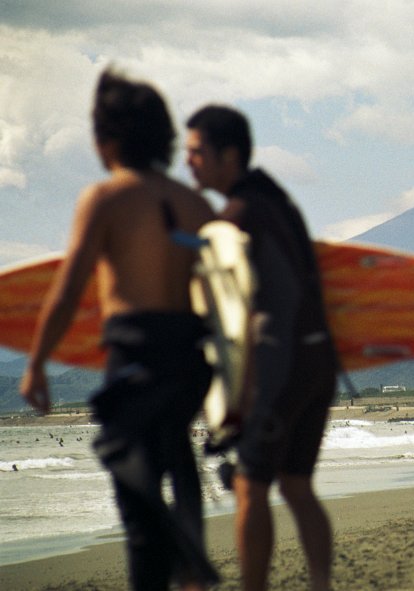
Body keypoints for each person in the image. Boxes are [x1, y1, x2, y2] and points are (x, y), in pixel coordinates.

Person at [20, 70, 217, 590]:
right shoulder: (197, 206)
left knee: (132, 473)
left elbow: (66, 291)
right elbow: (222, 295)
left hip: (134, 351)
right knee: (174, 449)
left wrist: (38, 362)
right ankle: (189, 555)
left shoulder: (105, 199)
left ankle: (171, 562)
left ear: (106, 139)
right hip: (190, 354)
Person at [186, 105, 339, 591]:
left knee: (251, 486)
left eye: (196, 152)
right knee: (295, 485)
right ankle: (320, 585)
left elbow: (240, 314)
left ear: (227, 156)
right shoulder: (278, 202)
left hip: (281, 365)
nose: (188, 161)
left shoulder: (239, 215)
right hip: (319, 361)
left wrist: (241, 392)